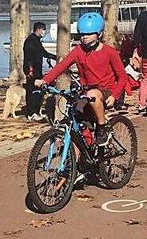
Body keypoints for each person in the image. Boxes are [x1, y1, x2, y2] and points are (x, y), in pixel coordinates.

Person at [34, 12, 128, 146]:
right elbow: (61, 66)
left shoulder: (109, 52)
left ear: (99, 34)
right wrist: (45, 80)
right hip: (86, 92)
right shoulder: (79, 51)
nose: (84, 37)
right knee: (76, 123)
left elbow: (123, 77)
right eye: (82, 34)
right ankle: (83, 157)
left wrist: (114, 96)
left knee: (93, 94)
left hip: (106, 91)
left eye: (89, 34)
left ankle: (102, 128)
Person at [23, 22, 57, 121]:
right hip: (31, 70)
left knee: (38, 91)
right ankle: (31, 113)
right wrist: (30, 70)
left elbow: (43, 53)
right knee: (31, 91)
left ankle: (36, 111)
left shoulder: (37, 40)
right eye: (43, 30)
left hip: (37, 69)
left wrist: (54, 57)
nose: (44, 32)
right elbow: (29, 57)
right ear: (38, 29)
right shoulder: (30, 41)